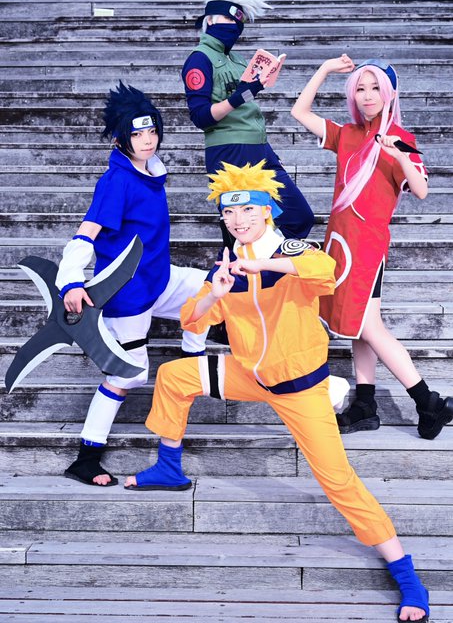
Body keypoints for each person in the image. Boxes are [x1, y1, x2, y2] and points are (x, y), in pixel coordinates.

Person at [125, 161, 429, 623]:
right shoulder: (227, 265)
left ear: (267, 210)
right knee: (174, 376)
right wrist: (215, 293)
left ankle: (406, 575)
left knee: (338, 481)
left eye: (248, 209)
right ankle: (168, 467)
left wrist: (261, 264)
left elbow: (324, 269)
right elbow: (192, 319)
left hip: (300, 390)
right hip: (251, 375)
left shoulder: (289, 250)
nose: (238, 219)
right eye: (229, 212)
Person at [291, 54, 453, 439]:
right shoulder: (347, 134)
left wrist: (400, 155)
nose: (367, 95)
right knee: (359, 327)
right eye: (360, 88)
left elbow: (421, 189)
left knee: (368, 326)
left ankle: (428, 402)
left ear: (389, 93)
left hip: (366, 246)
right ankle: (366, 405)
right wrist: (325, 69)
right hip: (339, 243)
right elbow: (300, 112)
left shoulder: (400, 138)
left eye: (375, 87)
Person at [55, 81, 208, 487]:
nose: (147, 140)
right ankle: (86, 458)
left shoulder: (150, 173)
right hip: (128, 295)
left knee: (210, 289)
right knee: (129, 376)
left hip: (160, 279)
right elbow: (86, 233)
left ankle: (192, 358)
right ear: (122, 138)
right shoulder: (117, 181)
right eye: (138, 134)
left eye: (152, 131)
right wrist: (71, 281)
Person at [181, 0, 314, 243]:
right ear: (209, 20)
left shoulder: (239, 59)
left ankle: (268, 264)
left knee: (298, 217)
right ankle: (237, 270)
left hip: (258, 147)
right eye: (227, 18)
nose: (232, 25)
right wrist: (243, 94)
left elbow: (244, 105)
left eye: (237, 20)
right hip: (229, 151)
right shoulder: (199, 60)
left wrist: (265, 149)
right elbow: (201, 117)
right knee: (238, 232)